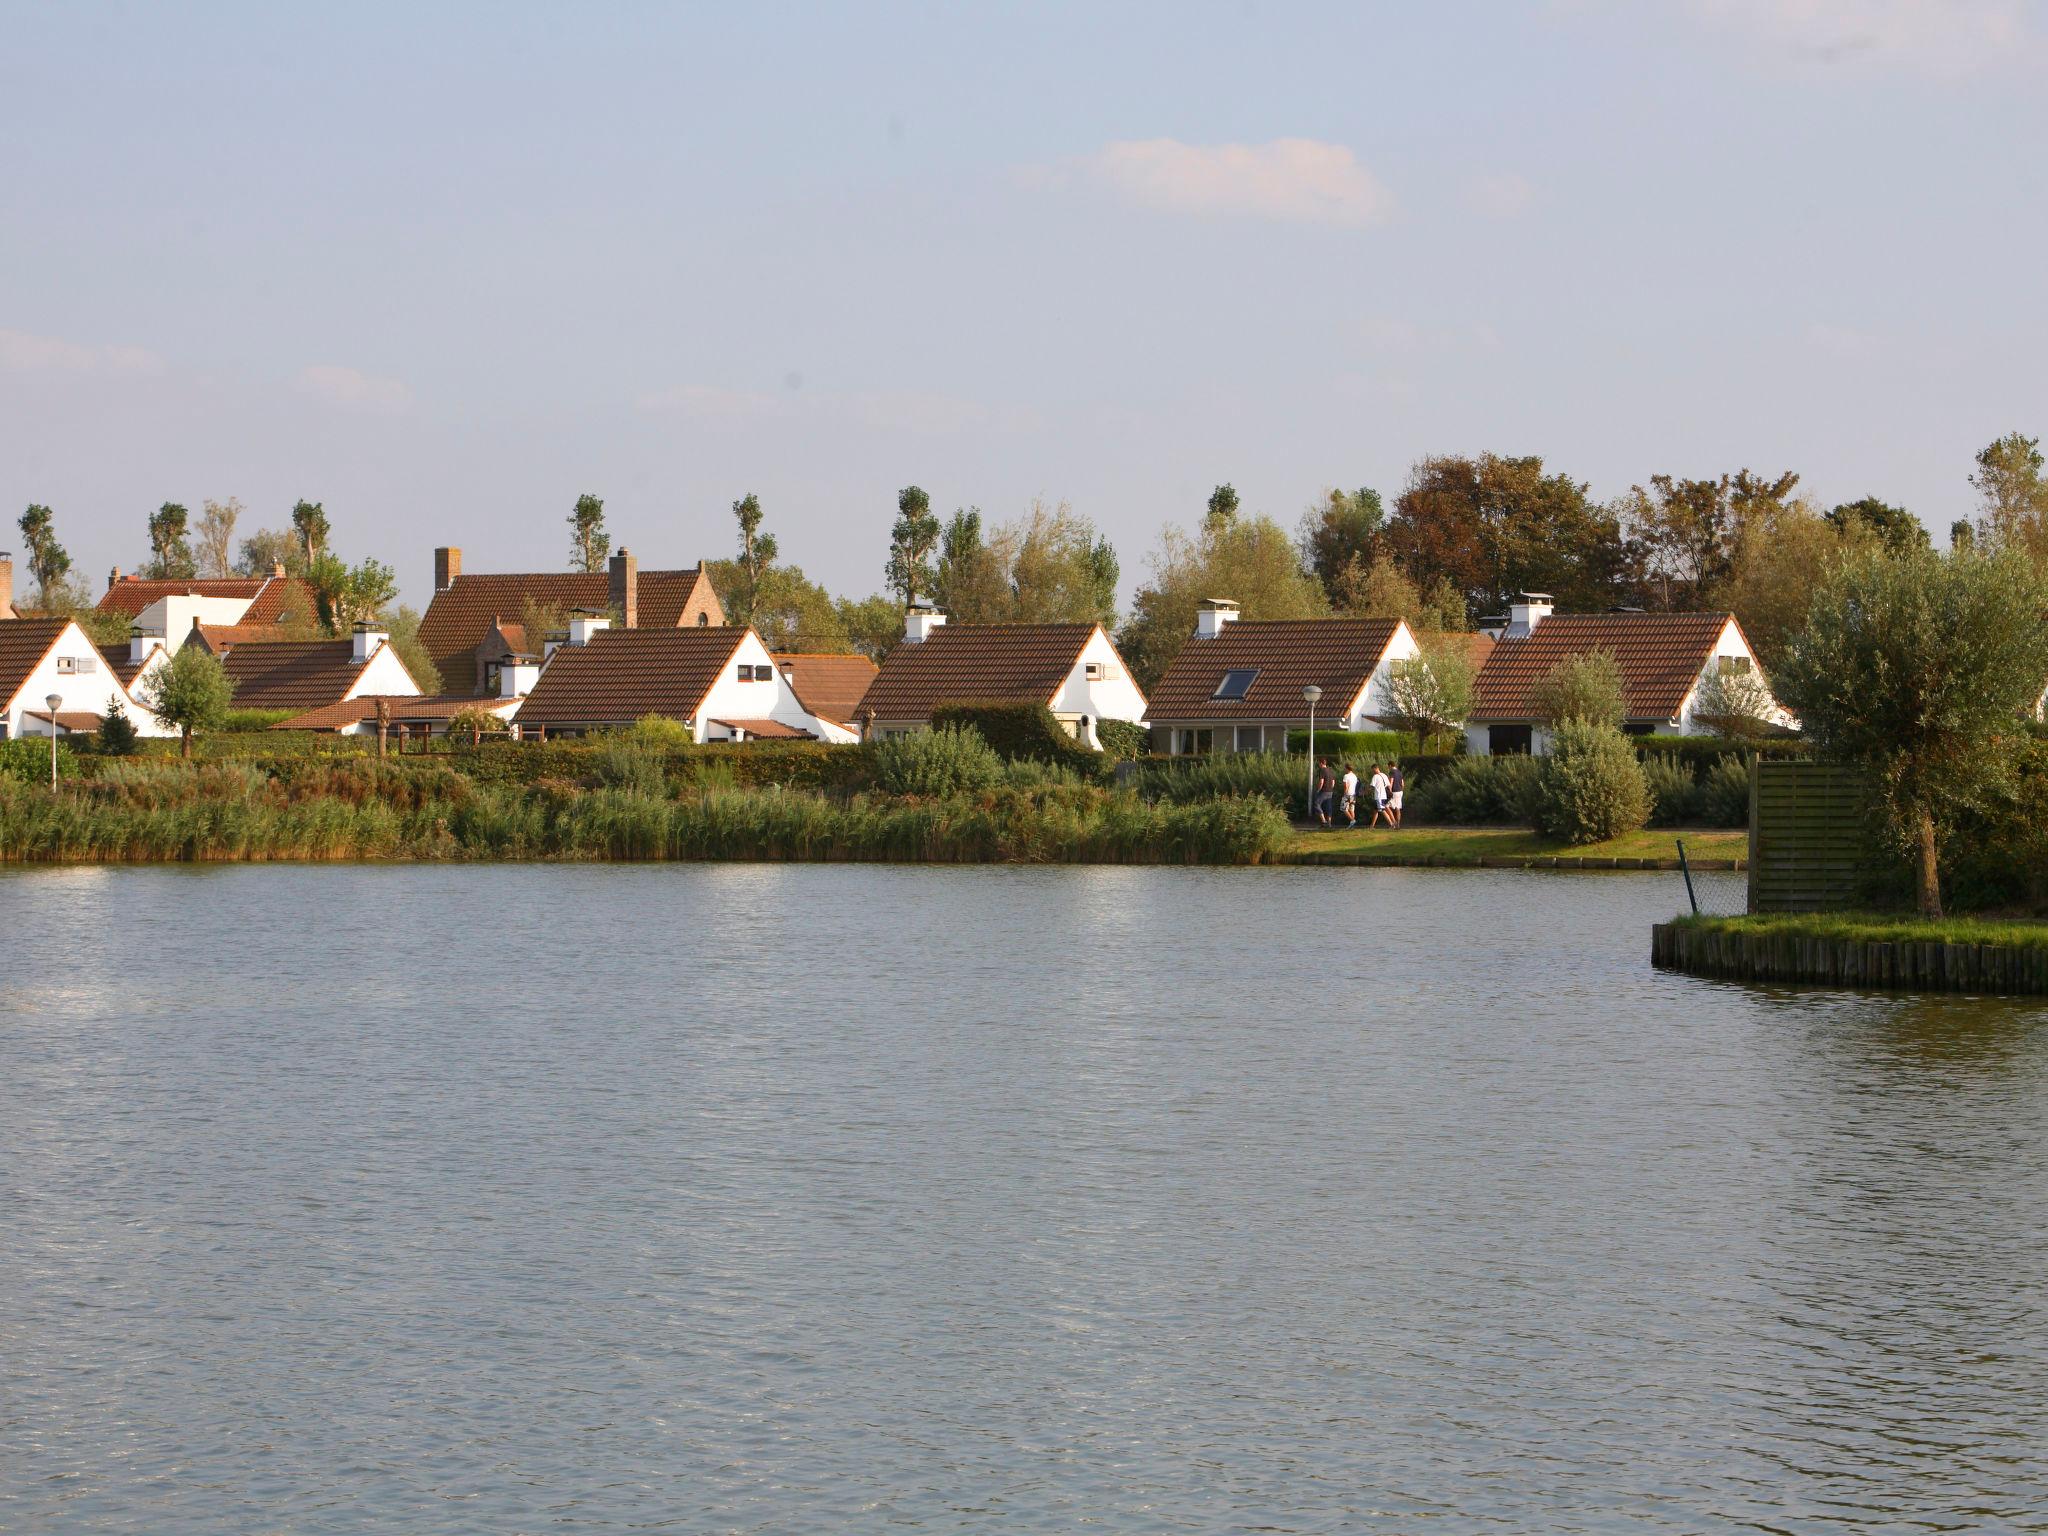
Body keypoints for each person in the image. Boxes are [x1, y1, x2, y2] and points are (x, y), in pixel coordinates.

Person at [1313, 758, 1335, 827]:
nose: (1319, 765)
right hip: (1330, 791)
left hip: (1324, 791)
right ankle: (1329, 824)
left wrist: (1318, 790)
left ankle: (1324, 821)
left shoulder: (1322, 770)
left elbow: (1321, 781)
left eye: (1319, 764)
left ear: (1321, 763)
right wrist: (1330, 788)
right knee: (1329, 807)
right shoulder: (1330, 770)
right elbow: (1333, 782)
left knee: (1316, 804)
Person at [1369, 762, 1393, 828]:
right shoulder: (1384, 775)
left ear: (1375, 768)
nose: (1372, 771)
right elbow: (1389, 786)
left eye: (1373, 770)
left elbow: (1372, 786)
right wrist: (1390, 792)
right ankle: (1372, 826)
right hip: (1384, 796)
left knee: (1382, 810)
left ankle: (1391, 824)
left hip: (1379, 796)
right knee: (1375, 810)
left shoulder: (1375, 776)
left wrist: (1365, 792)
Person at [1340, 763, 1359, 828]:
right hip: (1353, 794)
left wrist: (1344, 794)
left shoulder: (1346, 776)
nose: (1344, 769)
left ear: (1347, 768)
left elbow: (1346, 786)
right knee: (1351, 809)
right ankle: (1352, 825)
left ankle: (1352, 820)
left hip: (1348, 794)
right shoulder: (1354, 776)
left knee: (1343, 808)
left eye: (1345, 768)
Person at [1388, 762, 1405, 829]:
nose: (1388, 768)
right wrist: (1401, 790)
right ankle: (1398, 824)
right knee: (1398, 808)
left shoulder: (1392, 772)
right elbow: (1403, 784)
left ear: (1390, 765)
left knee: (1386, 806)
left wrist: (1389, 791)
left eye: (1388, 767)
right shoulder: (1399, 772)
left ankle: (1393, 823)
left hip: (1394, 792)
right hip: (1400, 792)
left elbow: (1391, 782)